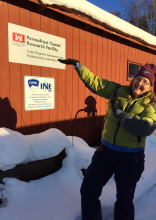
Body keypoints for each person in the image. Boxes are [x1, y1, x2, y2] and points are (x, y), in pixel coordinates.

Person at [58, 58, 156, 220]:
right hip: (105, 152)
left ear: (150, 87)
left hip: (131, 158)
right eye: (138, 78)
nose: (139, 83)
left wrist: (122, 116)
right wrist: (79, 66)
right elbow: (96, 83)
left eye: (145, 81)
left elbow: (147, 127)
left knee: (124, 200)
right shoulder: (117, 91)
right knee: (89, 190)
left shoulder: (149, 105)